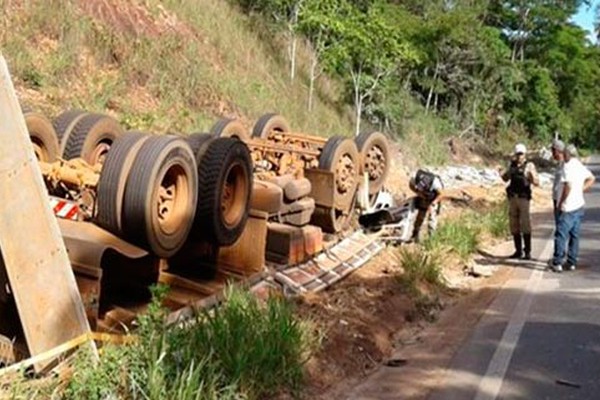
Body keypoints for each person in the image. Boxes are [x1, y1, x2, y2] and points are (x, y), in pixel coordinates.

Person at [549, 144, 595, 272]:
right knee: (574, 235)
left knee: (561, 235)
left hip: (567, 207)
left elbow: (567, 186)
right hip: (579, 206)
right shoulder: (578, 164)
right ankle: (571, 262)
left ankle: (557, 262)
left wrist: (560, 204)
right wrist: (580, 190)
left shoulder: (567, 167)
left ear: (564, 153)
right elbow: (591, 178)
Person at [501, 143, 539, 260]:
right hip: (513, 198)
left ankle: (527, 251)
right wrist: (501, 172)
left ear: (525, 154)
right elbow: (505, 178)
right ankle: (518, 250)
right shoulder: (512, 165)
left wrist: (532, 177)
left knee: (526, 225)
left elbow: (536, 182)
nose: (519, 156)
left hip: (523, 199)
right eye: (517, 154)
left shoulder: (529, 166)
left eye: (521, 154)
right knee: (514, 225)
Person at [408, 169, 443, 242]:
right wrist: (419, 193)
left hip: (434, 197)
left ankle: (432, 238)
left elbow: (441, 194)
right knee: (420, 215)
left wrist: (433, 203)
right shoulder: (415, 178)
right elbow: (410, 185)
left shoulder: (435, 183)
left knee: (432, 217)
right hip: (423, 196)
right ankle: (415, 235)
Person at [551, 139, 566, 227]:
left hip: (561, 200)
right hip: (557, 198)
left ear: (558, 151)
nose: (552, 153)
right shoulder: (559, 164)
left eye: (553, 150)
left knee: (561, 228)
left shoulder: (565, 165)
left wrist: (561, 202)